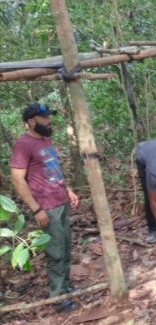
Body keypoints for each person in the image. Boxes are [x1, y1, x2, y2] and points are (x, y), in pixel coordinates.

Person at [10, 102, 80, 313]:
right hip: (45, 207)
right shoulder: (23, 144)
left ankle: (65, 286)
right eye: (44, 118)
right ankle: (57, 298)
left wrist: (67, 190)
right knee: (55, 252)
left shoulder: (46, 139)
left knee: (65, 247)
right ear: (31, 122)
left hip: (60, 201)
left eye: (49, 116)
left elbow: (53, 168)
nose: (49, 121)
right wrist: (36, 209)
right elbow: (17, 178)